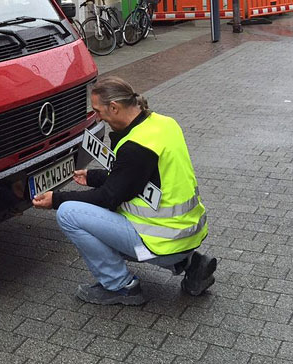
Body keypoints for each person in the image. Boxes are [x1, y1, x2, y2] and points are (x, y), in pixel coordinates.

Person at [32, 77, 216, 305]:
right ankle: (190, 264)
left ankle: (120, 286)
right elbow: (138, 179)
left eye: (98, 111)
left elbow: (108, 197)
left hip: (163, 239)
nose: (97, 117)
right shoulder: (163, 124)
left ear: (115, 108)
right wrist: (93, 176)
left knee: (68, 213)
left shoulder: (136, 147)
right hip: (186, 233)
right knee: (102, 216)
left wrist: (56, 199)